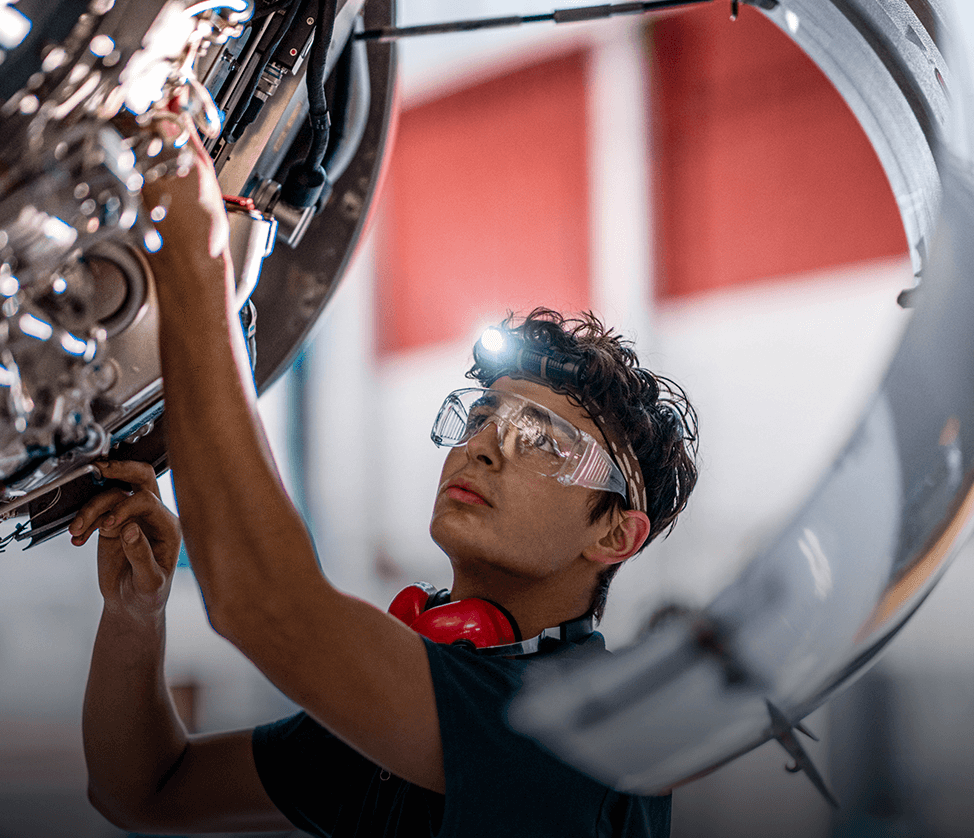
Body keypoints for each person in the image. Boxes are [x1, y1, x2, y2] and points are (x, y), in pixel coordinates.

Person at [70, 137, 698, 837]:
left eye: (543, 441)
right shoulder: (436, 700)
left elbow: (264, 604)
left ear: (614, 534)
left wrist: (198, 262)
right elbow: (147, 790)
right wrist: (135, 617)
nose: (483, 447)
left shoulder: (579, 726)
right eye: (482, 418)